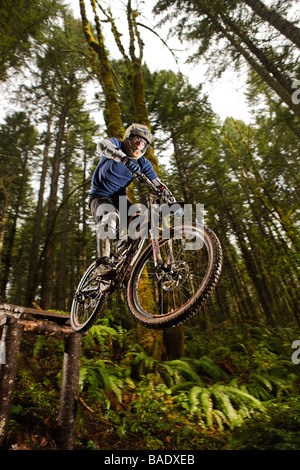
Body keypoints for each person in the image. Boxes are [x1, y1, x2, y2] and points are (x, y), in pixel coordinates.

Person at [89, 123, 174, 278]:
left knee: (142, 221)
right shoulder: (116, 144)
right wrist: (123, 159)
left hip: (119, 199)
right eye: (137, 140)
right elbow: (102, 146)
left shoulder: (143, 164)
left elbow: (157, 184)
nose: (140, 145)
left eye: (143, 143)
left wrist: (172, 201)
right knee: (110, 217)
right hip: (99, 196)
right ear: (129, 138)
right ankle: (102, 264)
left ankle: (125, 262)